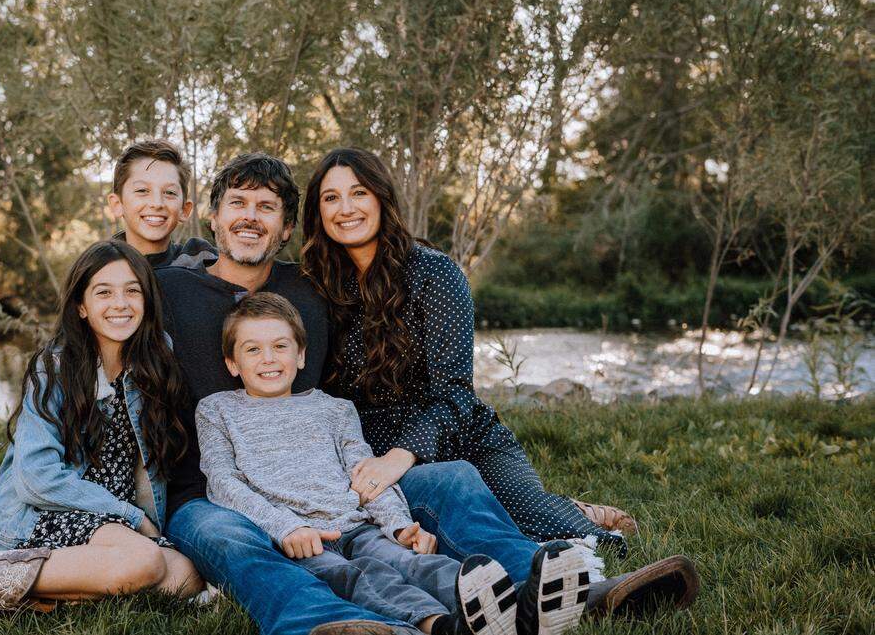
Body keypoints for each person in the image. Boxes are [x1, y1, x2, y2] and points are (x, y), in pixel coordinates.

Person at [157, 152, 697, 635]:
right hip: (208, 490)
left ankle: (557, 589)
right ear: (213, 217)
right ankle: (335, 622)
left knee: (456, 479)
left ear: (287, 227)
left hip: (349, 471)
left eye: (266, 206)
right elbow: (106, 293)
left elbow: (395, 391)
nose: (250, 216)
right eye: (237, 203)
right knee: (231, 538)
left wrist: (388, 477)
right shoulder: (168, 287)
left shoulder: (312, 287)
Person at [199, 292, 597, 635]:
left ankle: (515, 605)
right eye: (252, 349)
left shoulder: (333, 409)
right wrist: (285, 527)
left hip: (357, 523)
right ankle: (441, 626)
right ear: (232, 363)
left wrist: (399, 524)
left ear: (301, 355)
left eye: (280, 346)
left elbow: (367, 474)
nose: (268, 359)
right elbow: (222, 481)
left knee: (414, 562)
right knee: (363, 577)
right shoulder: (217, 410)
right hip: (300, 539)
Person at [300, 146, 636, 553]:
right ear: (317, 213)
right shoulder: (315, 286)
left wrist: (400, 457)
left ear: (381, 198)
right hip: (367, 451)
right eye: (331, 198)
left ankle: (570, 516)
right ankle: (562, 506)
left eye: (359, 193)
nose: (345, 208)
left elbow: (455, 392)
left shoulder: (435, 274)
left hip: (459, 438)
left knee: (540, 527)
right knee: (434, 535)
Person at [0, 240, 202, 632]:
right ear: (81, 306)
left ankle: (5, 594)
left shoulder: (156, 356)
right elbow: (36, 477)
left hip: (111, 518)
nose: (121, 303)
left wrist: (130, 517)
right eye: (104, 292)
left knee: (184, 577)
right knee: (144, 565)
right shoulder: (56, 367)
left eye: (133, 290)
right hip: (49, 509)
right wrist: (131, 517)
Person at [105, 138, 216, 267]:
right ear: (117, 204)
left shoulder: (203, 262)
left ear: (185, 210)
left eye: (169, 193)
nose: (157, 203)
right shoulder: (98, 271)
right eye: (142, 190)